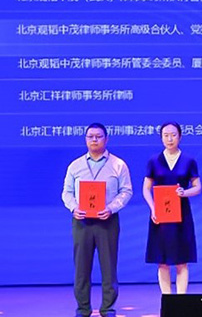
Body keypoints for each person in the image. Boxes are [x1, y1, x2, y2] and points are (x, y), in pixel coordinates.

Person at [62, 123, 133, 317]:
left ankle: (108, 308)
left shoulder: (118, 164)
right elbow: (67, 192)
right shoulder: (75, 165)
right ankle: (83, 308)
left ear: (106, 139)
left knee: (109, 266)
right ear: (85, 139)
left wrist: (111, 208)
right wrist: (74, 207)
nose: (94, 140)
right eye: (90, 136)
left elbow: (126, 191)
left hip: (107, 221)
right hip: (82, 222)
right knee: (81, 267)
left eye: (98, 136)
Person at [142, 122, 202, 294]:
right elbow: (146, 189)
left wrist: (185, 192)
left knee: (182, 260)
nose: (170, 139)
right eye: (166, 135)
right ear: (161, 137)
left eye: (173, 135)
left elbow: (198, 187)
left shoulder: (189, 160)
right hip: (160, 216)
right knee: (162, 261)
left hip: (182, 215)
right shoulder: (154, 161)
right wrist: (153, 208)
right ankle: (167, 300)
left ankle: (180, 301)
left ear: (180, 137)